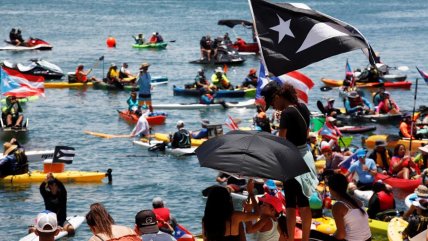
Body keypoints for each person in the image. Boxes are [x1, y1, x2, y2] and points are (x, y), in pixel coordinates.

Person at [261, 81, 318, 241]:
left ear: (279, 96)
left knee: (291, 206)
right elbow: (306, 133)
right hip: (305, 157)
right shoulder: (303, 107)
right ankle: (305, 239)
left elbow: (281, 142)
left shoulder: (286, 113)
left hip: (291, 161)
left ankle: (291, 239)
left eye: (272, 103)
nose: (273, 107)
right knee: (303, 204)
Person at [327, 173, 372, 241]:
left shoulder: (338, 206)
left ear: (330, 189)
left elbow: (341, 235)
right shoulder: (358, 202)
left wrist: (331, 236)